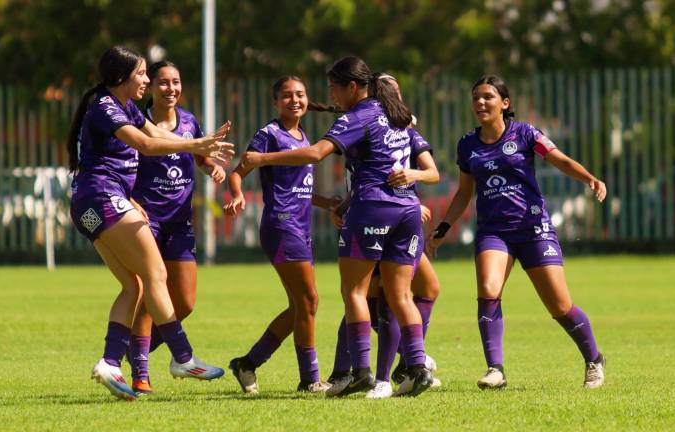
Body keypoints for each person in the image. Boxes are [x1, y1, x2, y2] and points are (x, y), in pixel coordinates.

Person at [241, 57, 435, 398]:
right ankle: (417, 368)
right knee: (402, 295)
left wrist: (262, 159)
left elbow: (316, 153)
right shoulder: (396, 113)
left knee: (355, 293)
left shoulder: (358, 115)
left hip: (373, 210)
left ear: (352, 87)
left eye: (333, 87)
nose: (331, 94)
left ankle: (361, 371)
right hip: (408, 209)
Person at [66, 46, 233, 400]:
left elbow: (156, 135)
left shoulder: (124, 106)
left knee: (134, 286)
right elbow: (144, 144)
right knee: (156, 274)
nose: (146, 80)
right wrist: (196, 145)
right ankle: (183, 358)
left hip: (88, 206)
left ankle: (111, 363)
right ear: (120, 77)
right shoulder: (105, 107)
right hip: (101, 197)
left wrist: (197, 144)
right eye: (142, 74)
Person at [426, 75, 607, 389]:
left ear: (504, 103)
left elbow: (559, 159)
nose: (481, 103)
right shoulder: (467, 144)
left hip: (534, 228)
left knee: (560, 306)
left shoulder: (525, 133)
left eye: (488, 97)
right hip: (494, 232)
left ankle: (594, 359)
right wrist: (444, 226)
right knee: (488, 289)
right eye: (476, 98)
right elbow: (463, 193)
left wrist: (589, 178)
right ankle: (495, 369)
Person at [324, 73, 442, 399]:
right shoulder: (379, 124)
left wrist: (411, 178)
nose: (396, 95)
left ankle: (382, 373)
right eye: (391, 89)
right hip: (391, 212)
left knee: (366, 295)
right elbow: (369, 175)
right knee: (381, 298)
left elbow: (431, 173)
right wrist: (346, 204)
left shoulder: (395, 126)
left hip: (379, 214)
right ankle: (398, 369)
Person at [223, 76, 339, 394]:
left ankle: (247, 363)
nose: (295, 100)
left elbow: (297, 188)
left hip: (300, 227)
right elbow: (238, 170)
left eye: (300, 94)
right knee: (310, 301)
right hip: (281, 224)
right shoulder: (268, 134)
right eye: (287, 96)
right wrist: (237, 194)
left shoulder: (303, 136)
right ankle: (310, 379)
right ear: (276, 102)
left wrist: (326, 202)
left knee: (300, 306)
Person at [125, 60, 227, 395]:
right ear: (150, 87)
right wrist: (129, 199)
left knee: (184, 301)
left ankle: (142, 350)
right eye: (164, 83)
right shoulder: (136, 123)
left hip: (180, 222)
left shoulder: (190, 121)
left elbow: (197, 154)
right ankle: (141, 372)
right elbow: (121, 165)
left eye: (177, 82)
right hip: (145, 222)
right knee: (147, 293)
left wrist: (211, 167)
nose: (172, 89)